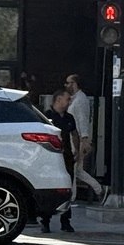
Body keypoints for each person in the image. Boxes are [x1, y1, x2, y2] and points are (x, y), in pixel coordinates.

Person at [65, 73, 107, 204]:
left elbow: (82, 120)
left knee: (73, 168)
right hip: (76, 138)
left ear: (75, 84)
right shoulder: (76, 99)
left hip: (77, 139)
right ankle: (99, 189)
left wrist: (84, 140)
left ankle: (72, 198)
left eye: (69, 82)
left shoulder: (80, 100)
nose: (66, 85)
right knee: (76, 170)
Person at [41, 89, 77, 233]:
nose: (69, 102)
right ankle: (45, 221)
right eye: (67, 99)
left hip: (66, 157)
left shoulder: (69, 117)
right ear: (59, 99)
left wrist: (76, 151)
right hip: (51, 157)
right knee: (49, 188)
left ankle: (65, 221)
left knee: (67, 189)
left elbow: (74, 134)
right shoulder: (47, 116)